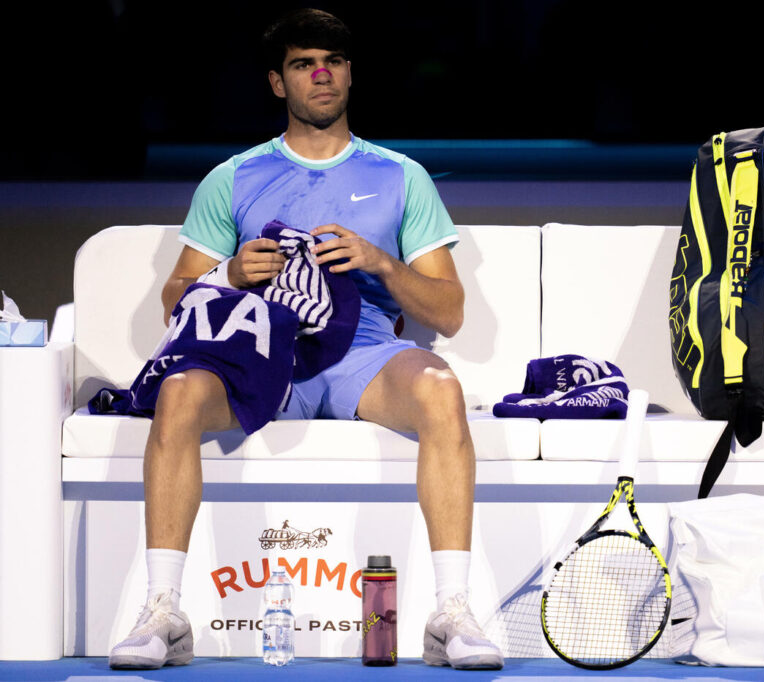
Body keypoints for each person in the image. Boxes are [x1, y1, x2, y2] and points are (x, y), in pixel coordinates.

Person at [108, 8, 503, 671]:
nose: (321, 74)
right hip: (260, 357)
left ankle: (452, 613)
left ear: (350, 75)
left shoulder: (401, 176)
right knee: (177, 394)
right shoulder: (231, 178)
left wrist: (382, 263)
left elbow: (451, 310)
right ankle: (163, 612)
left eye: (334, 62)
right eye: (302, 63)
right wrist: (230, 272)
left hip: (364, 356)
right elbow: (176, 300)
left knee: (440, 389)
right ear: (276, 83)